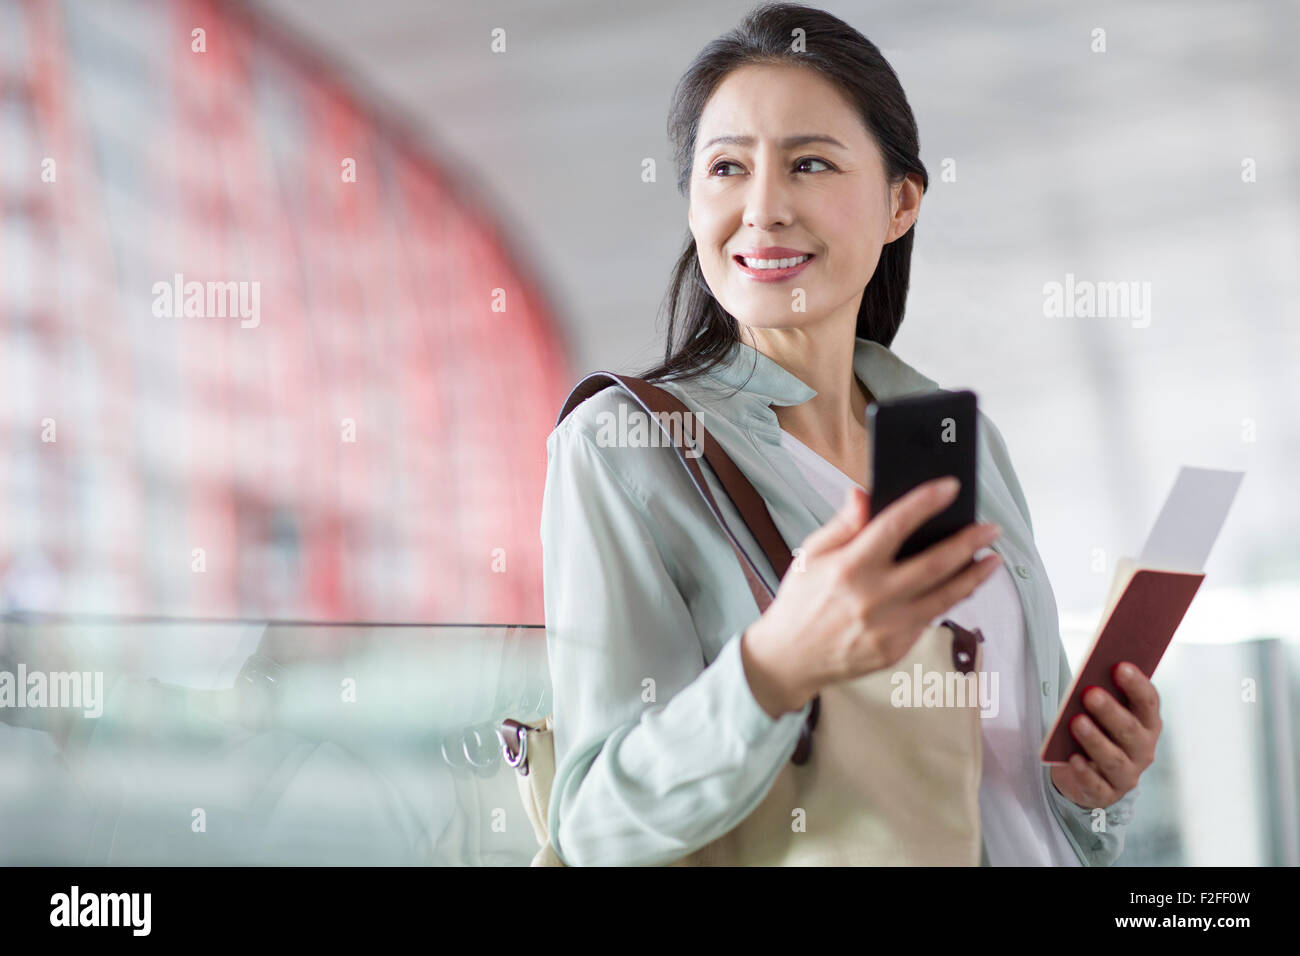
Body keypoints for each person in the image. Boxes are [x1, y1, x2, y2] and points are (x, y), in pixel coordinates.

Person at [539, 2, 1159, 867]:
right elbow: (595, 825)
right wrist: (775, 668)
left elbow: (1011, 802)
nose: (762, 210)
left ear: (900, 202)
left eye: (809, 164)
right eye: (725, 168)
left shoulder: (959, 442)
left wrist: (1091, 790)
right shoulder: (625, 447)